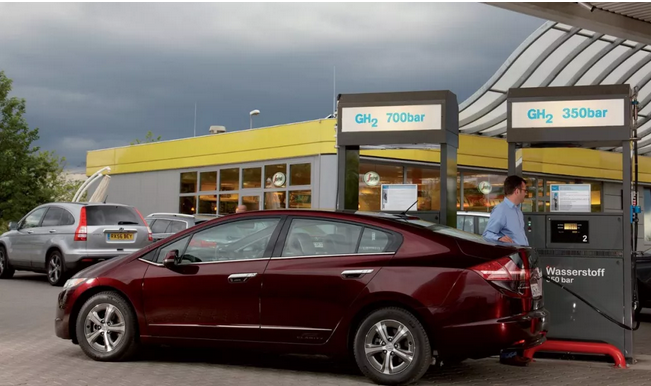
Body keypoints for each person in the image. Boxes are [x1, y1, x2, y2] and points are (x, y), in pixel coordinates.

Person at [482, 175, 530, 366]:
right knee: (514, 307)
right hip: (511, 264)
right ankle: (509, 355)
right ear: (517, 190)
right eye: (525, 190)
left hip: (522, 261)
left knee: (524, 307)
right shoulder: (501, 210)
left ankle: (517, 350)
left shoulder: (518, 211)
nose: (526, 194)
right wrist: (500, 240)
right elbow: (488, 234)